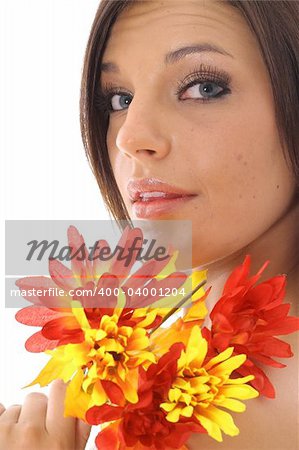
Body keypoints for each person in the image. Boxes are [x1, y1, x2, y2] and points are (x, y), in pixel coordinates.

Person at [0, 0, 298, 448]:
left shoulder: (231, 419)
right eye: (119, 99)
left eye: (203, 88)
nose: (130, 136)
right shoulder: (172, 346)